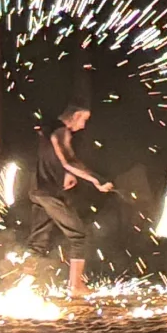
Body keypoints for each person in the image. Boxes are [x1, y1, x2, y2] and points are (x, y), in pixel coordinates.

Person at [24, 104, 114, 299]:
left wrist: (63, 175)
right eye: (83, 120)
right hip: (49, 193)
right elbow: (69, 160)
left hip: (38, 191)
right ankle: (76, 286)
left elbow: (51, 159)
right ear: (75, 115)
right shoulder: (61, 131)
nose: (82, 126)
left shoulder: (47, 130)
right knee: (78, 235)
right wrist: (97, 179)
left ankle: (19, 285)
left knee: (37, 243)